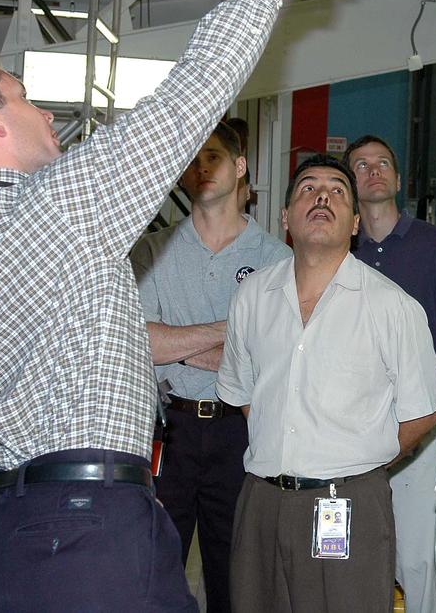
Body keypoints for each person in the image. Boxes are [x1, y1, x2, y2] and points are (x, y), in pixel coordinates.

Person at [0, 0, 353, 610]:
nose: (43, 113)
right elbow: (191, 96)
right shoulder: (51, 208)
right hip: (86, 538)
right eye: (22, 94)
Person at [218, 155, 436, 612]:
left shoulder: (391, 306)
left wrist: (355, 458)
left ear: (356, 222)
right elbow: (245, 397)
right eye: (307, 188)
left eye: (338, 191)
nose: (322, 197)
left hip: (349, 503)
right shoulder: (251, 297)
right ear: (284, 218)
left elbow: (424, 411)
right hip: (261, 501)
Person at [130, 120, 291, 612]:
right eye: (193, 159)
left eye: (214, 156)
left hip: (238, 431)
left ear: (240, 166)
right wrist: (232, 329)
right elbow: (142, 344)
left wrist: (176, 343)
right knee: (156, 564)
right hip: (168, 430)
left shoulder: (275, 259)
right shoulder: (152, 251)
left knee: (235, 572)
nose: (202, 168)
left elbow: (271, 355)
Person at [344, 133, 436, 613]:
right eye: (360, 164)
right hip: (351, 432)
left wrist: (434, 418)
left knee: (419, 562)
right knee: (356, 560)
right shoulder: (339, 252)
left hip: (421, 429)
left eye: (382, 163)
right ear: (349, 181)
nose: (373, 170)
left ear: (397, 179)